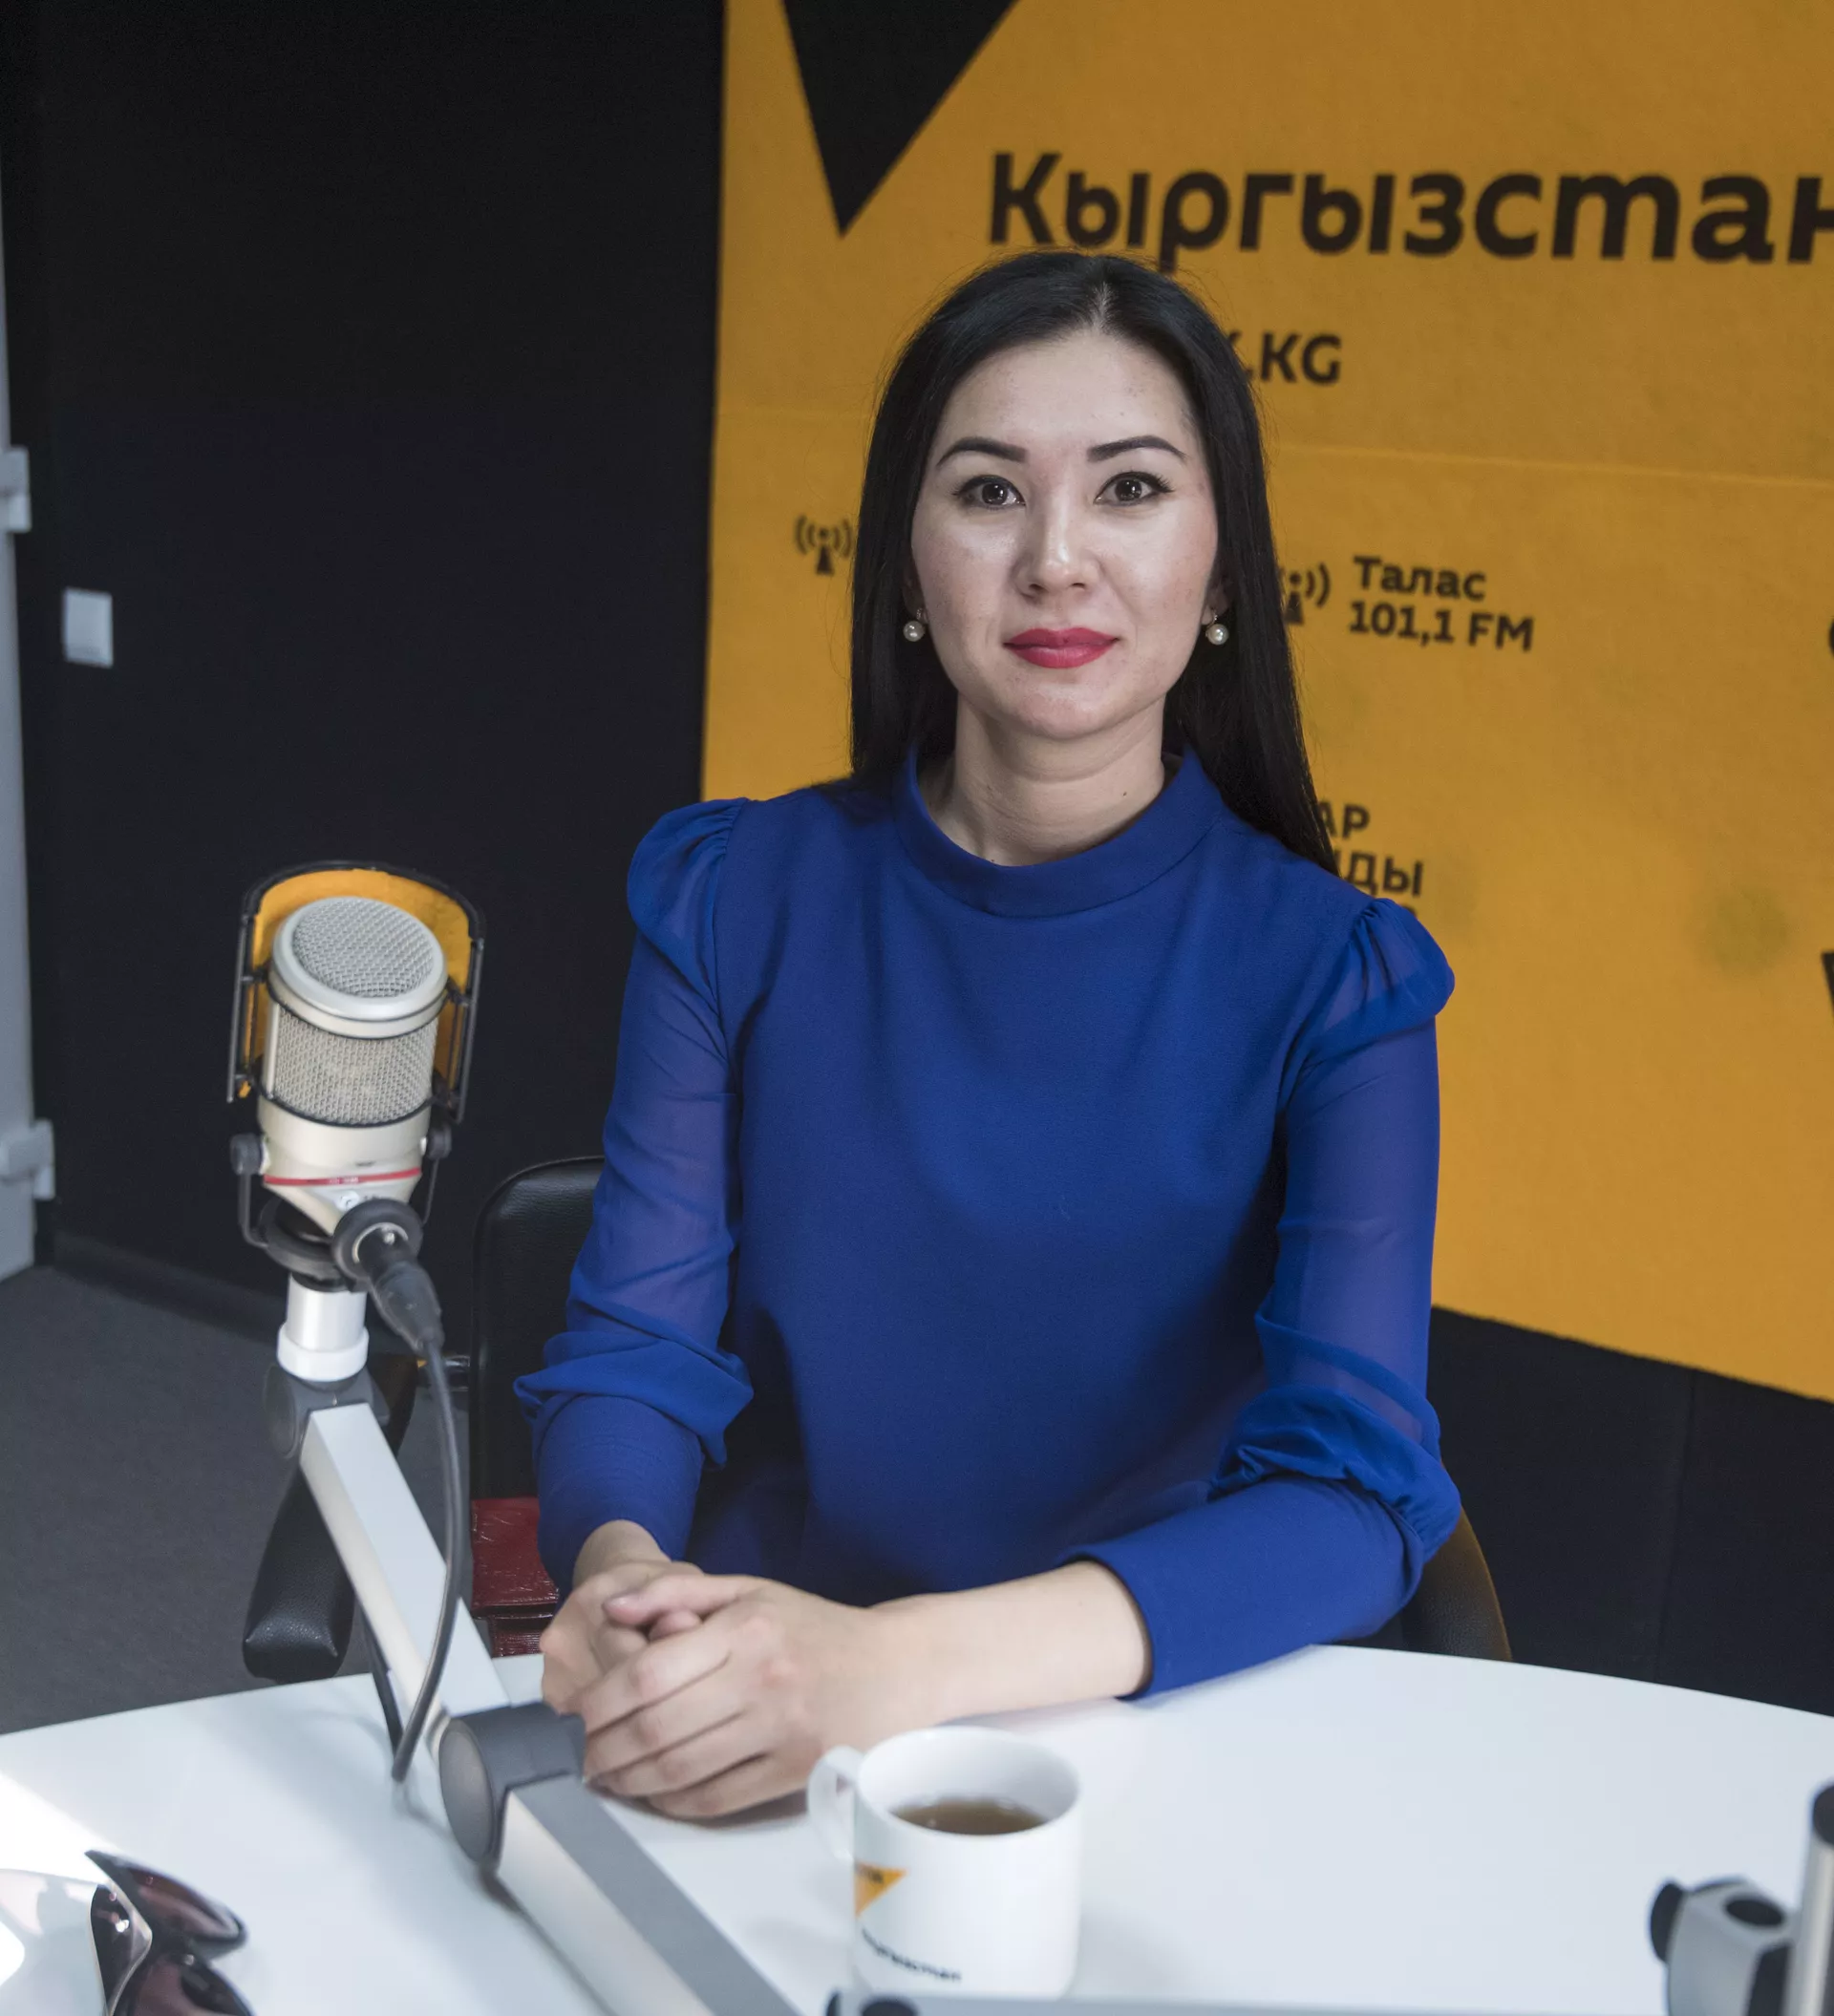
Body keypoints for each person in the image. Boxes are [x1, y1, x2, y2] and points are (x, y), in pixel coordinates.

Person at [518, 249, 1461, 1819]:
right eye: (988, 492)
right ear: (906, 564)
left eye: (1131, 488)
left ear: (1225, 571)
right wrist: (624, 1581)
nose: (1057, 561)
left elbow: (1351, 1498)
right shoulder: (733, 892)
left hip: (1138, 1721)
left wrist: (891, 1665)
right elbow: (638, 1350)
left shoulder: (1339, 978)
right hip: (751, 1702)